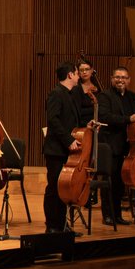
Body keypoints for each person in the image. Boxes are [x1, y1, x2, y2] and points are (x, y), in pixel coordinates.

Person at [100, 66, 135, 226]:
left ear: (128, 80)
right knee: (109, 181)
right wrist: (128, 119)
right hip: (111, 144)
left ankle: (118, 214)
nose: (120, 80)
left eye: (124, 77)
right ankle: (107, 215)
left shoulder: (133, 97)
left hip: (129, 146)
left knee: (120, 183)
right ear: (112, 78)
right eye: (117, 77)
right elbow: (105, 116)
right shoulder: (105, 96)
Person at [43, 63, 83, 233]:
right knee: (54, 188)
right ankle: (52, 226)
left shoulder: (70, 94)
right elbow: (53, 120)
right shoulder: (56, 93)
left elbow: (68, 122)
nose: (79, 76)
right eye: (76, 73)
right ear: (69, 75)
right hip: (56, 150)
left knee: (63, 188)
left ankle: (62, 225)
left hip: (66, 150)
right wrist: (68, 140)